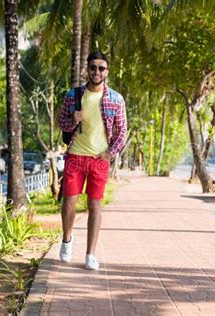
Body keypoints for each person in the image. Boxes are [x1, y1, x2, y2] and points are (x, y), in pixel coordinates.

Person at [58, 51, 127, 270]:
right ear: (87, 69)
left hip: (99, 160)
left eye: (101, 68)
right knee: (69, 202)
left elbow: (122, 130)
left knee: (94, 204)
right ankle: (67, 239)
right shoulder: (74, 95)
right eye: (93, 67)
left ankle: (90, 254)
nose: (96, 72)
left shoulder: (116, 99)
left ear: (107, 71)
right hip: (76, 156)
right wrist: (72, 119)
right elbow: (62, 124)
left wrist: (110, 153)